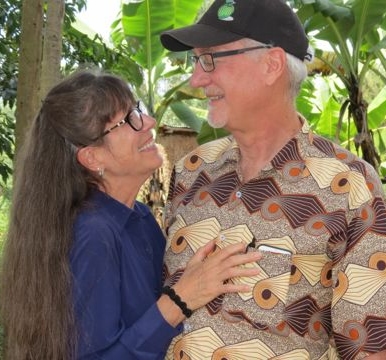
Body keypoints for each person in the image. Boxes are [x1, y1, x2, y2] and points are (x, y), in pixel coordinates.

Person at [160, 0, 386, 359]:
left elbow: (368, 348)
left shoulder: (348, 186)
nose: (197, 79)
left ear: (271, 65)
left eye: (210, 59)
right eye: (196, 60)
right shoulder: (192, 170)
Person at [0, 70, 262, 360]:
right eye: (129, 120)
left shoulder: (139, 218)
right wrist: (180, 300)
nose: (148, 122)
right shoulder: (94, 233)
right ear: (92, 157)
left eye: (138, 109)